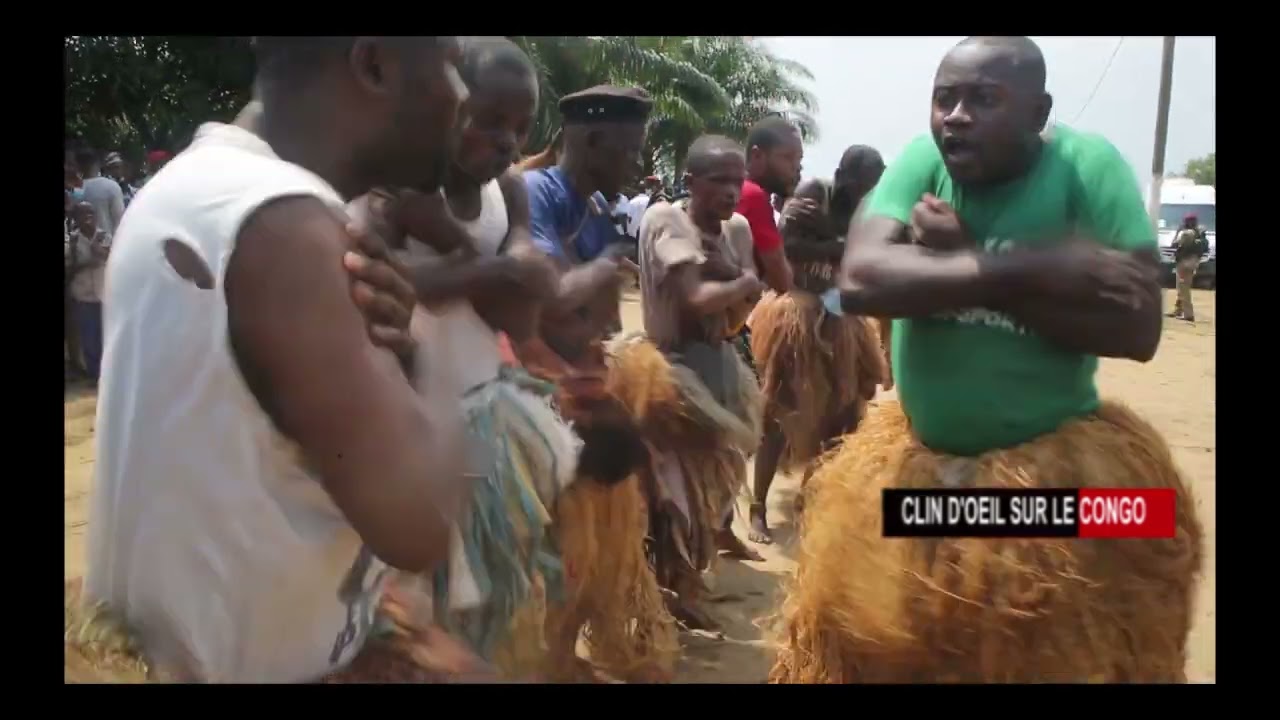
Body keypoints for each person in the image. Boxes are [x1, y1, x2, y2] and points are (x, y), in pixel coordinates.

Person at [771, 36, 1202, 683]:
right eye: (945, 99)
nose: (957, 116)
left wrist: (956, 259)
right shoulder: (924, 159)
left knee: (1146, 521)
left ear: (1038, 112)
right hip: (915, 461)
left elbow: (1137, 327)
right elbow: (863, 278)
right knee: (874, 628)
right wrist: (1031, 267)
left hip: (1048, 472)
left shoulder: (1090, 170)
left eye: (984, 99)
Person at [75, 36, 487, 684]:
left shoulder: (195, 184)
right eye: (453, 67)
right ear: (373, 64)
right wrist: (426, 345)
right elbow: (422, 525)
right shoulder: (282, 221)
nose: (464, 98)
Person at [348, 36, 582, 681]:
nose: (506, 140)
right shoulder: (386, 188)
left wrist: (449, 240)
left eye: (519, 124)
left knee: (484, 601)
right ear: (445, 103)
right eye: (488, 118)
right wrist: (492, 270)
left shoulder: (510, 193)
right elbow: (381, 291)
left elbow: (522, 306)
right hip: (406, 432)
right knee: (408, 604)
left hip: (484, 431)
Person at [516, 85, 678, 683]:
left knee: (580, 550)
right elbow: (548, 299)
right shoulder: (538, 194)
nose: (637, 167)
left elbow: (594, 316)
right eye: (630, 152)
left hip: (570, 393)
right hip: (531, 397)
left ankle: (559, 656)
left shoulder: (596, 209)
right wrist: (603, 272)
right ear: (589, 140)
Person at [616, 134, 765, 632]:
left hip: (717, 365)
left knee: (710, 486)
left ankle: (684, 587)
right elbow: (699, 299)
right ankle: (662, 593)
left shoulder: (737, 228)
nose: (730, 191)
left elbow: (738, 315)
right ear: (691, 182)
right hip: (668, 374)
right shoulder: (666, 220)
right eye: (718, 180)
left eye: (737, 180)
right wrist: (743, 281)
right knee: (670, 492)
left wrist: (740, 284)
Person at [745, 145, 889, 544]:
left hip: (842, 316)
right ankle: (758, 507)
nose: (864, 195)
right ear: (842, 175)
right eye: (860, 186)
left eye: (871, 189)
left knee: (845, 409)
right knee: (779, 411)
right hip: (796, 312)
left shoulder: (869, 208)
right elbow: (785, 246)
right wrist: (842, 246)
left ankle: (810, 497)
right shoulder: (813, 194)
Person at [737, 115, 800, 295]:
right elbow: (782, 281)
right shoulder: (753, 196)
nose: (796, 167)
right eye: (788, 158)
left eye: (799, 159)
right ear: (757, 155)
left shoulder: (739, 190)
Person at [64, 202, 110, 382]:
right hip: (83, 296)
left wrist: (100, 251)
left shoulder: (105, 237)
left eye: (91, 213)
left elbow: (113, 258)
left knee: (107, 337)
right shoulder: (72, 241)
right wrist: (87, 263)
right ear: (76, 219)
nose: (88, 218)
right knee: (90, 340)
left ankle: (108, 375)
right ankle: (95, 374)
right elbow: (69, 269)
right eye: (83, 215)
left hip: (105, 294)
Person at [1168, 213, 1208, 322]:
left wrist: (1178, 235)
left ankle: (1188, 314)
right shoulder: (1200, 233)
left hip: (1185, 262)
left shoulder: (1186, 233)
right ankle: (1179, 310)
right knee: (1182, 287)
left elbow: (1175, 244)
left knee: (1183, 287)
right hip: (1193, 262)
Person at [77, 148, 126, 233]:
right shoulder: (111, 186)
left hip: (77, 244)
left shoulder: (71, 189)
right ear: (98, 164)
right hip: (106, 243)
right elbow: (120, 221)